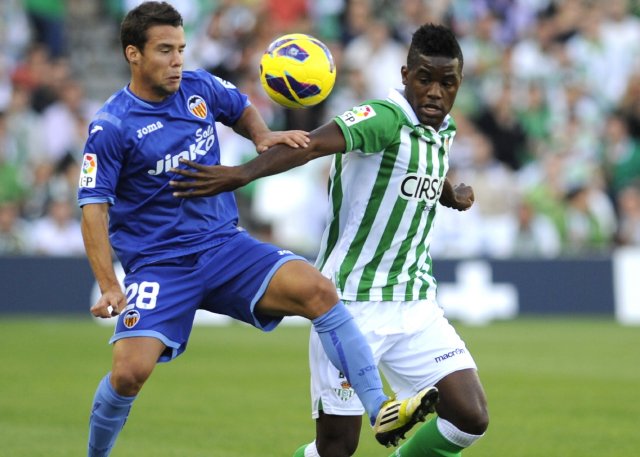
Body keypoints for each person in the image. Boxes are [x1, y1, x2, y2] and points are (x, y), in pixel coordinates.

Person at [77, 3, 437, 456]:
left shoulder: (199, 87)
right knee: (129, 372)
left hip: (225, 247)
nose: (177, 60)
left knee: (319, 291)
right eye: (165, 51)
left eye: (181, 49)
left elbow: (240, 106)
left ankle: (380, 407)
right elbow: (93, 207)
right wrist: (110, 285)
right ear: (133, 54)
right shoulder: (111, 126)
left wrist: (263, 137)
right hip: (160, 265)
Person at [170, 23, 489, 457]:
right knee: (337, 449)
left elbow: (420, 162)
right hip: (350, 306)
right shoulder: (384, 118)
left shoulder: (440, 131)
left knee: (470, 416)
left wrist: (450, 193)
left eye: (446, 83)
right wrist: (240, 174)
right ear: (404, 75)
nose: (435, 92)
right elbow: (311, 146)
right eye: (425, 79)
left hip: (415, 304)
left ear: (459, 84)